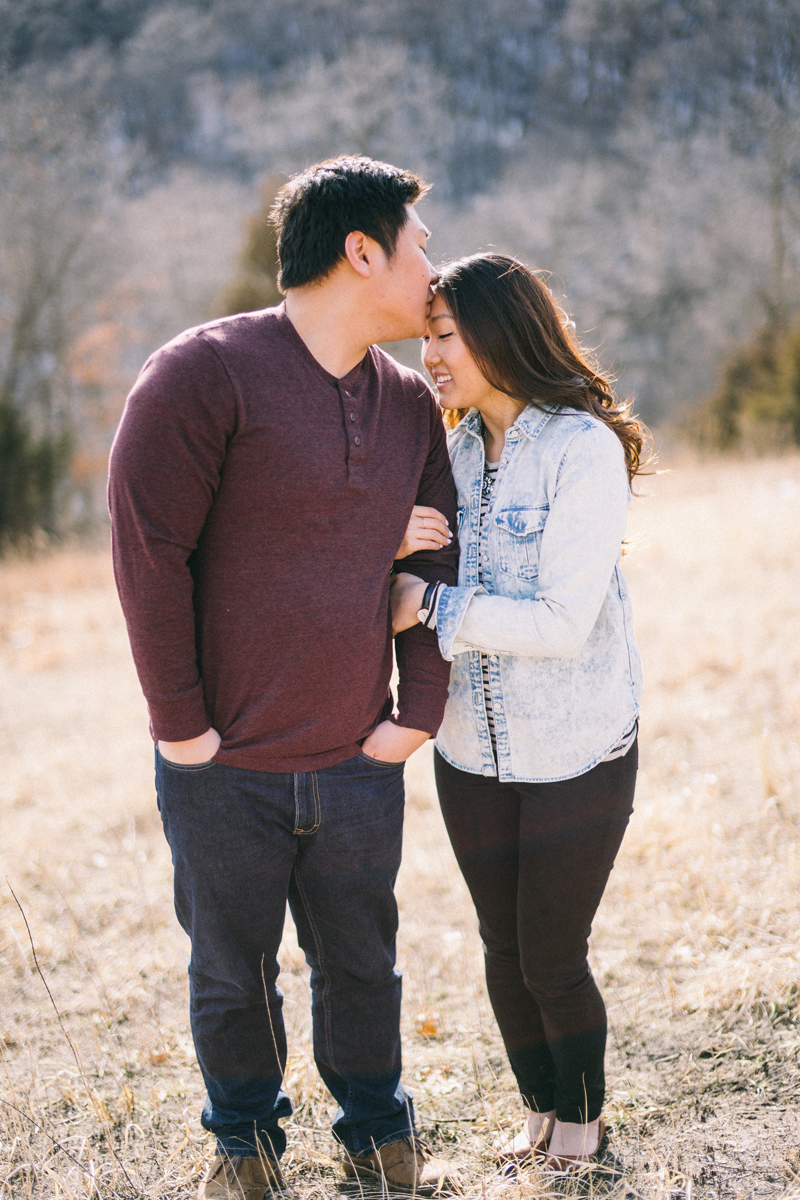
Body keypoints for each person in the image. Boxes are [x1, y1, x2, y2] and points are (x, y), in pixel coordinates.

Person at [108, 156, 460, 1200]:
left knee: (364, 963)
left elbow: (434, 559)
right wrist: (183, 730)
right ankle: (246, 1152)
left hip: (357, 754)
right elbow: (148, 549)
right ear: (361, 251)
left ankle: (377, 1138)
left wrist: (416, 712)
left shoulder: (405, 406)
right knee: (231, 973)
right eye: (419, 246)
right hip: (224, 764)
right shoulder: (201, 372)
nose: (431, 271)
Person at [391, 253, 649, 1175]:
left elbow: (562, 621)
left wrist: (432, 607)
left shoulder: (580, 449)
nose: (430, 354)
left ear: (502, 334)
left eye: (445, 335)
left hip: (575, 747)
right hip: (471, 749)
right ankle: (538, 1114)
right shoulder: (454, 451)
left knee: (551, 950)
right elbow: (412, 563)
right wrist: (401, 549)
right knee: (501, 945)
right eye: (427, 336)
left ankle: (583, 1124)